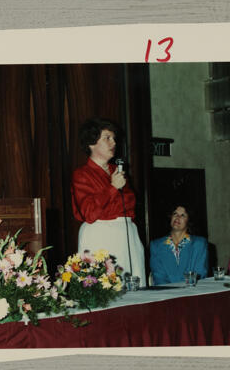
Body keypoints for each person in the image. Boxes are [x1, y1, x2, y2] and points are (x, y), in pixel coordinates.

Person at [71, 118, 146, 285]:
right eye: (107, 138)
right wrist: (112, 188)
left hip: (127, 235)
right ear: (91, 144)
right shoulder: (82, 174)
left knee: (135, 287)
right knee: (106, 290)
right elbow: (89, 213)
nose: (113, 143)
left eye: (114, 138)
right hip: (101, 236)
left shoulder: (117, 171)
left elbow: (130, 205)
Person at [150, 204, 208, 285]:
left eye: (183, 215)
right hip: (165, 293)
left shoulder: (199, 244)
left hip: (191, 292)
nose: (177, 217)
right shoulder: (156, 245)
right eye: (175, 214)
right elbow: (159, 277)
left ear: (189, 220)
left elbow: (200, 273)